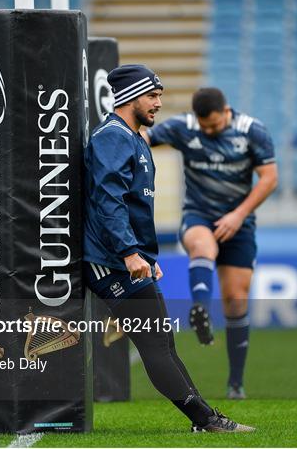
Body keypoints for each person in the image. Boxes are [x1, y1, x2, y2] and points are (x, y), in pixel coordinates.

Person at [83, 65, 255, 432]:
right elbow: (108, 199)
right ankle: (207, 420)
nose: (159, 103)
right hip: (110, 262)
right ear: (130, 96)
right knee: (156, 347)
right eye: (153, 95)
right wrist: (130, 252)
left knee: (162, 344)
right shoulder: (112, 136)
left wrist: (142, 254)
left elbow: (131, 204)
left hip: (127, 258)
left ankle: (206, 419)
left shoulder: (135, 138)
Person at [142, 87, 278, 399]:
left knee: (236, 301)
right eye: (205, 127)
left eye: (214, 126)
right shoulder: (184, 127)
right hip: (198, 214)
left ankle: (235, 382)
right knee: (202, 247)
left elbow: (269, 178)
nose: (209, 131)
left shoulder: (252, 131)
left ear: (226, 112)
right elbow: (144, 139)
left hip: (239, 221)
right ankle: (201, 311)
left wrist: (239, 214)